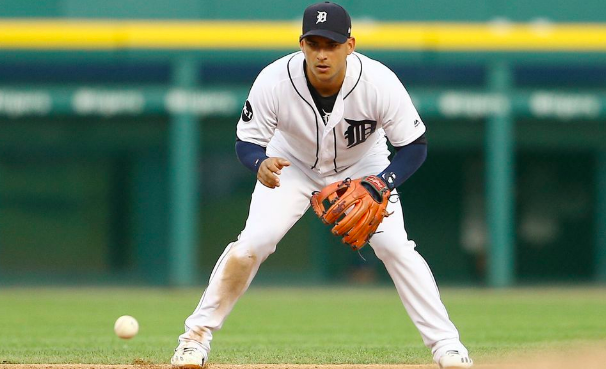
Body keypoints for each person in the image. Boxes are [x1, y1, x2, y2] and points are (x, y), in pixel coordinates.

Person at [171, 2, 473, 368]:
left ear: (350, 45)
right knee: (254, 242)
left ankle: (448, 346)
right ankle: (195, 340)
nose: (322, 53)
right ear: (302, 45)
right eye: (314, 44)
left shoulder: (378, 82)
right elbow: (246, 141)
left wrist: (382, 182)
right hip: (291, 165)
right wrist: (258, 162)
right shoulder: (275, 80)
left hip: (364, 166)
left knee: (396, 246)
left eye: (331, 44)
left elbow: (414, 146)